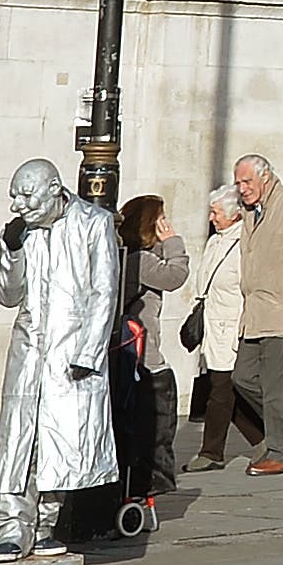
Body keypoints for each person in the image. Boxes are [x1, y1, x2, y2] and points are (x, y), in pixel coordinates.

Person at [0, 159, 121, 557]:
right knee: (16, 439)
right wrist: (11, 251)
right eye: (13, 196)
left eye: (26, 195)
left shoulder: (94, 223)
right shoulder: (21, 231)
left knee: (58, 441)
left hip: (71, 349)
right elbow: (7, 295)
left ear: (53, 188)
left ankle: (45, 522)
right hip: (29, 348)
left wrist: (89, 351)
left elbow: (103, 291)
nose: (18, 205)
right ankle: (10, 524)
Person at [227, 154, 283, 475]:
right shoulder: (252, 212)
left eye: (247, 182)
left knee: (277, 393)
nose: (242, 188)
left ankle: (281, 453)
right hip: (253, 317)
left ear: (265, 178)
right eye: (238, 182)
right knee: (242, 379)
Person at [187, 162, 270, 471]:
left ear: (233, 213)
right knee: (224, 389)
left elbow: (247, 286)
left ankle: (211, 453)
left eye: (215, 212)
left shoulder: (242, 243)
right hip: (213, 326)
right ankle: (267, 438)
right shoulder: (216, 240)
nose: (211, 217)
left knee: (220, 392)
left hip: (229, 326)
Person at [115, 192, 188, 510]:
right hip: (144, 359)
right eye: (159, 219)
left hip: (133, 355)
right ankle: (144, 486)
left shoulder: (126, 257)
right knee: (154, 426)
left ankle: (138, 485)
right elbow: (175, 276)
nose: (165, 225)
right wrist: (173, 241)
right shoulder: (142, 261)